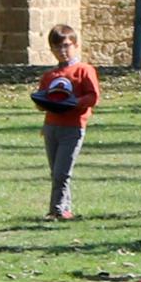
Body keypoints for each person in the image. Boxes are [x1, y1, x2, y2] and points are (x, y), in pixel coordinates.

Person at [33, 25, 100, 220]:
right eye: (56, 47)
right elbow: (43, 100)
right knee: (56, 171)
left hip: (73, 127)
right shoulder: (50, 76)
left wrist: (74, 103)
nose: (62, 51)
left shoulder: (84, 70)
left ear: (76, 45)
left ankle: (57, 210)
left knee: (63, 171)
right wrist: (42, 104)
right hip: (52, 126)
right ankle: (65, 207)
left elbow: (93, 96)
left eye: (66, 46)